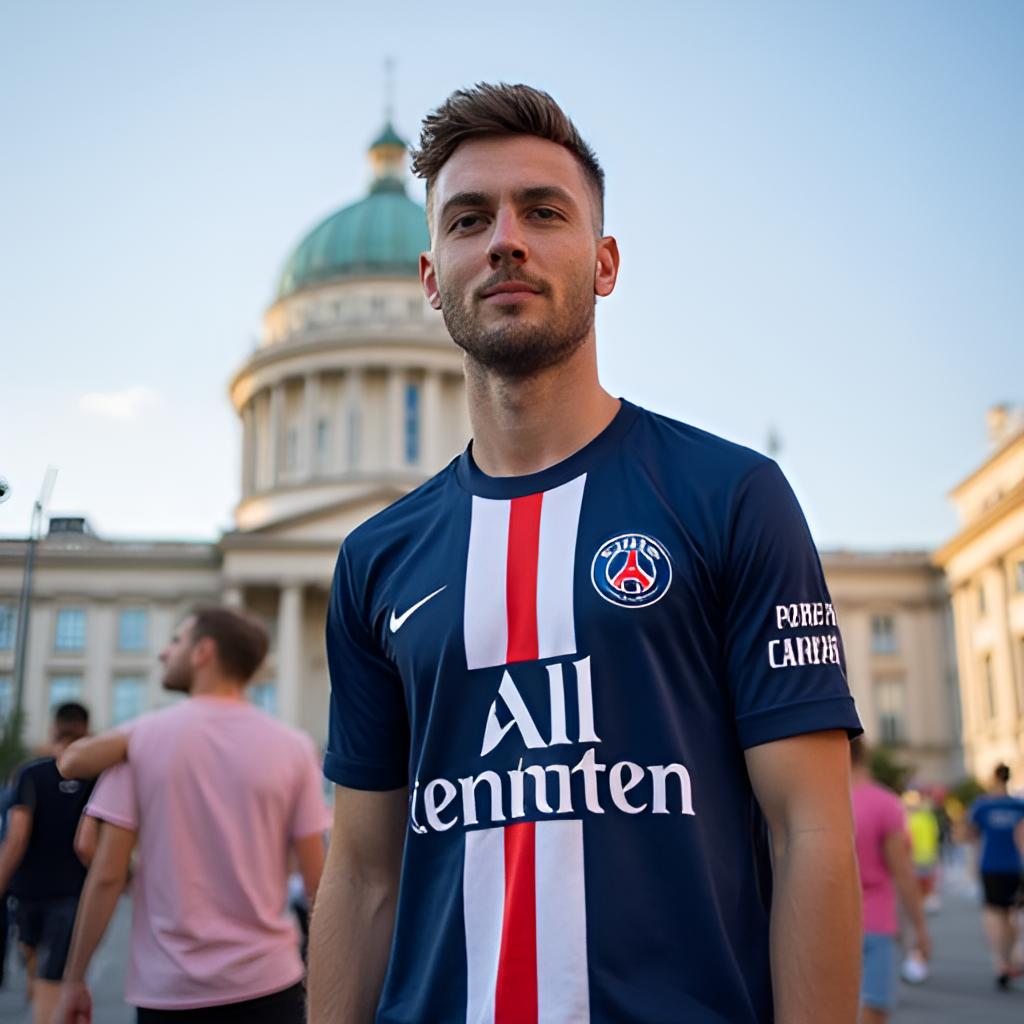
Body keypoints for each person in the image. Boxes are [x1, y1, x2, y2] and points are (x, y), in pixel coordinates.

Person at [307, 83, 863, 1024]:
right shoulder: (375, 558)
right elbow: (362, 876)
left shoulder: (730, 496)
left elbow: (810, 831)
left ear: (605, 263)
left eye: (544, 211)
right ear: (433, 279)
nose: (505, 239)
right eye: (470, 218)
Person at [52, 607, 332, 1024]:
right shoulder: (294, 747)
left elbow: (107, 874)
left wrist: (74, 980)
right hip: (271, 984)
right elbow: (319, 883)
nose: (164, 653)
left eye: (177, 641)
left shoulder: (137, 741)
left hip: (170, 993)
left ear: (204, 652)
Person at [0, 702, 94, 1024]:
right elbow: (89, 845)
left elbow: (16, 837)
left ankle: (40, 1006)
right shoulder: (93, 778)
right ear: (85, 730)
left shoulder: (31, 773)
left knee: (34, 965)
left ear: (54, 728)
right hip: (70, 892)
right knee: (51, 976)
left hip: (25, 891)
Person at [850, 738, 931, 1021]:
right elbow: (903, 874)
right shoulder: (884, 803)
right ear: (866, 753)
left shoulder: (819, 801)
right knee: (874, 1010)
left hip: (828, 918)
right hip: (875, 921)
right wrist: (920, 928)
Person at [968, 763, 1024, 988]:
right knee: (1012, 913)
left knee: (993, 912)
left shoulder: (982, 806)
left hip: (990, 865)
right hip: (1015, 866)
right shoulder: (1019, 805)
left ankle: (999, 961)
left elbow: (970, 835)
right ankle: (1010, 955)